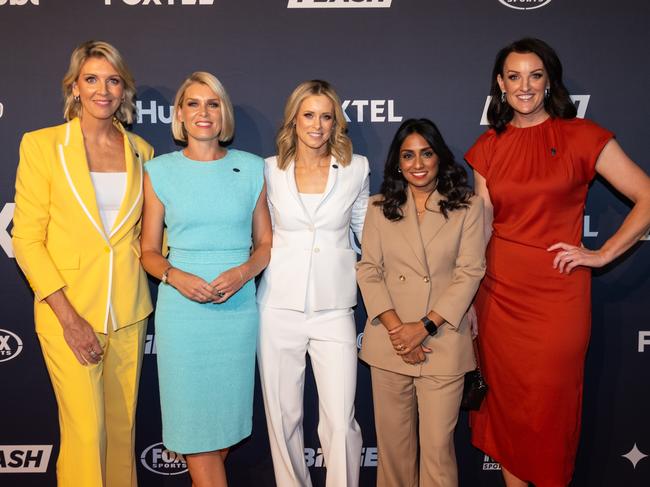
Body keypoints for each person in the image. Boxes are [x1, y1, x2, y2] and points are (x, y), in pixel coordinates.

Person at [466, 38, 650, 487]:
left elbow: (646, 195)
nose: (524, 86)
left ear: (549, 82)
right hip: (497, 296)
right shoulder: (487, 148)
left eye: (534, 75)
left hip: (557, 297)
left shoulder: (582, 137)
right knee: (507, 408)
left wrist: (602, 253)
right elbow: (481, 228)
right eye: (514, 76)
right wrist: (467, 299)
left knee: (550, 408)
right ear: (500, 84)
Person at [11, 40, 154, 487]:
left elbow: (148, 238)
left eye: (113, 80)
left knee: (122, 431)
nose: (102, 89)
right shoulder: (42, 145)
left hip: (128, 312)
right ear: (74, 87)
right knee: (85, 434)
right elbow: (27, 239)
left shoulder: (142, 152)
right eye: (91, 79)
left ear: (123, 89)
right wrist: (69, 318)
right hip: (67, 311)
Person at [140, 72, 272, 487]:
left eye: (212, 104)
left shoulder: (251, 168)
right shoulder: (159, 171)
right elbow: (146, 251)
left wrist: (242, 272)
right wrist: (176, 277)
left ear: (223, 113)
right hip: (183, 318)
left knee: (220, 436)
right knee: (195, 434)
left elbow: (266, 243)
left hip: (236, 313)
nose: (203, 112)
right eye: (194, 103)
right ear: (179, 114)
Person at [357, 118, 486, 487]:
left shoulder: (468, 206)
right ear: (398, 162)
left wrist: (424, 328)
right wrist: (400, 331)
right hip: (390, 343)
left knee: (438, 453)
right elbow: (368, 270)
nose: (417, 163)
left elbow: (470, 272)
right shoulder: (380, 206)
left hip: (441, 341)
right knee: (393, 455)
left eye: (426, 153)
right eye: (408, 155)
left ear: (439, 157)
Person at [256, 79, 368, 487]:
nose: (317, 125)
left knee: (340, 419)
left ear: (336, 121)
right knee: (282, 417)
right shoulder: (268, 169)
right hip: (277, 306)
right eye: (309, 115)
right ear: (294, 119)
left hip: (334, 307)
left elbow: (365, 233)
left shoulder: (357, 168)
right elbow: (258, 233)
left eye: (326, 116)